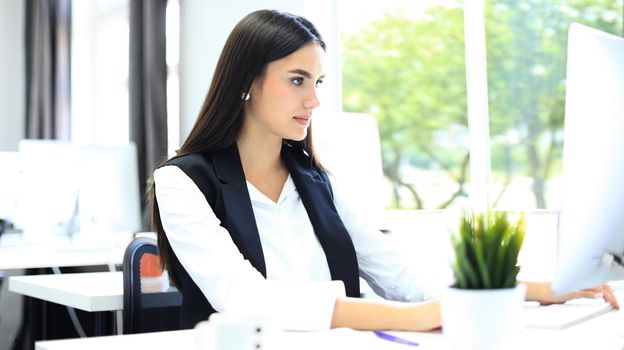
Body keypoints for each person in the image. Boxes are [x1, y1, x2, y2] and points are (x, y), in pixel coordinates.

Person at [150, 9, 619, 332]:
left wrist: (543, 289)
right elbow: (247, 300)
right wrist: (416, 318)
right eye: (297, 81)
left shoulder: (316, 182)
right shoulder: (183, 182)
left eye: (318, 82)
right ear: (246, 82)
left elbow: (403, 276)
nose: (313, 100)